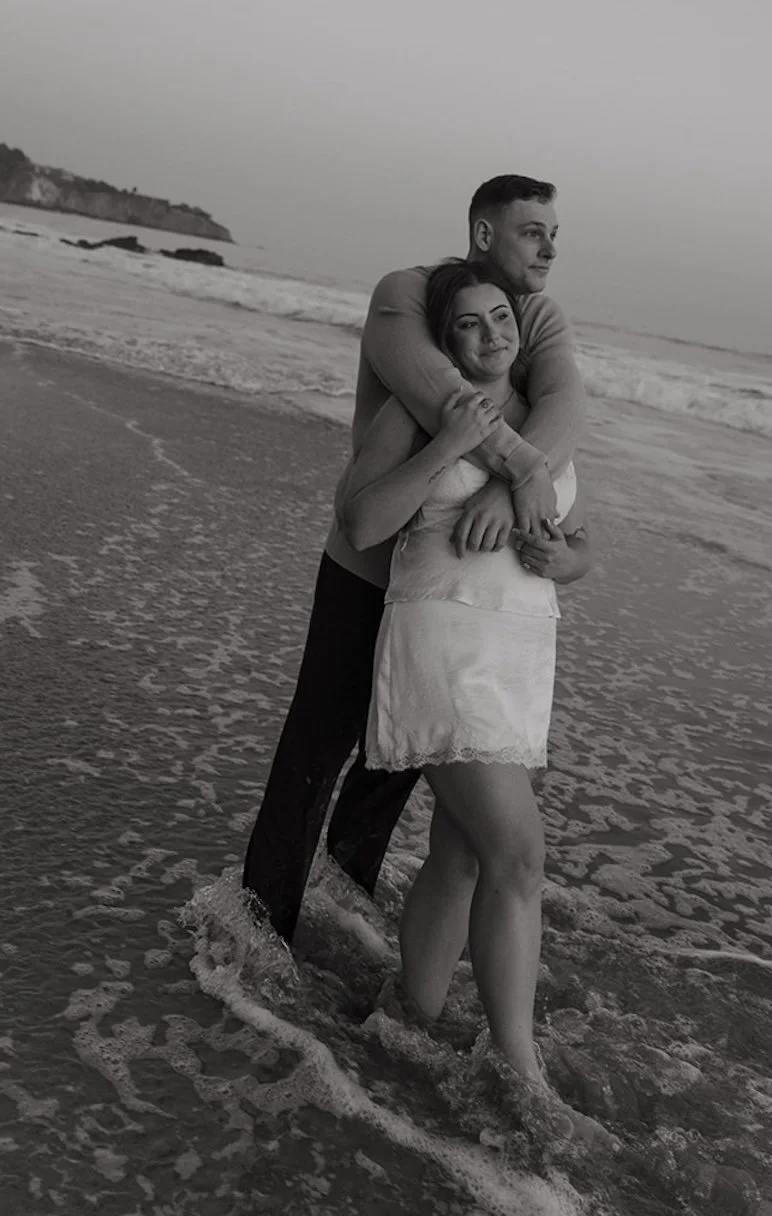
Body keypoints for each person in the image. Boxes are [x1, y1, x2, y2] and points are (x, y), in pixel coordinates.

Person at [242, 175, 586, 944]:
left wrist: (516, 488)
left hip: (446, 600)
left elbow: (567, 409)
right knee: (317, 749)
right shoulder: (407, 294)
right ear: (487, 234)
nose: (550, 248)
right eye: (534, 231)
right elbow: (438, 393)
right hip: (368, 564)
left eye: (555, 233)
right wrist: (523, 470)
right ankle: (259, 930)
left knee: (393, 762)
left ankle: (342, 913)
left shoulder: (540, 318)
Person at [338, 259, 591, 1082]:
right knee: (519, 857)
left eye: (501, 320)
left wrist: (562, 558)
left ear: (521, 331)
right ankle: (521, 1072)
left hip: (520, 651)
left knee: (465, 857)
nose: (490, 335)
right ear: (446, 343)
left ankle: (410, 1013)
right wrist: (447, 444)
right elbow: (363, 520)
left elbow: (581, 547)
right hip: (443, 643)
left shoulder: (543, 434)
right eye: (469, 325)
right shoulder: (423, 413)